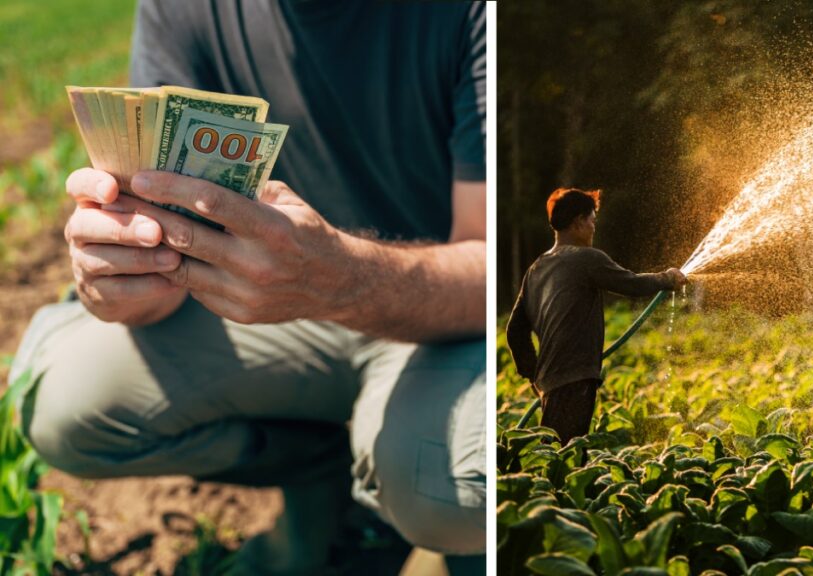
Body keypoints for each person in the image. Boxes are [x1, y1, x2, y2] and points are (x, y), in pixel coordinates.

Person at [9, 1, 486, 574]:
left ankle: (419, 525)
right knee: (66, 404)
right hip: (265, 305)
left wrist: (342, 278)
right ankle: (323, 473)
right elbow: (161, 239)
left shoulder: (470, 15)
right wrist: (126, 279)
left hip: (434, 320)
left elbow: (490, 270)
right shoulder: (182, 10)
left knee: (450, 490)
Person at [506, 188, 685, 444]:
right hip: (574, 378)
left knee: (561, 450)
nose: (593, 227)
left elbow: (514, 330)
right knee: (564, 456)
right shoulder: (587, 258)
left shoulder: (537, 268)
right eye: (592, 220)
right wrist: (667, 278)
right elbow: (632, 285)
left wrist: (533, 373)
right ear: (579, 222)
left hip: (553, 380)